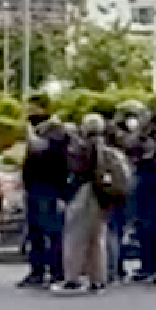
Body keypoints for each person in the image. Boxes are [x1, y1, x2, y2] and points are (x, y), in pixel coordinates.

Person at [61, 113, 116, 293]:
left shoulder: (85, 146)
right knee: (97, 237)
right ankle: (98, 278)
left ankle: (73, 277)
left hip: (86, 191)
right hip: (101, 192)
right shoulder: (106, 144)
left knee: (76, 236)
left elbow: (79, 168)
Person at [20, 107, 70, 288]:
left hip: (48, 189)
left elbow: (39, 148)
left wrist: (30, 133)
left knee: (50, 232)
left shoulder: (56, 135)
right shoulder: (50, 134)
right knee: (36, 233)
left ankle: (54, 270)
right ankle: (40, 270)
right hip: (37, 188)